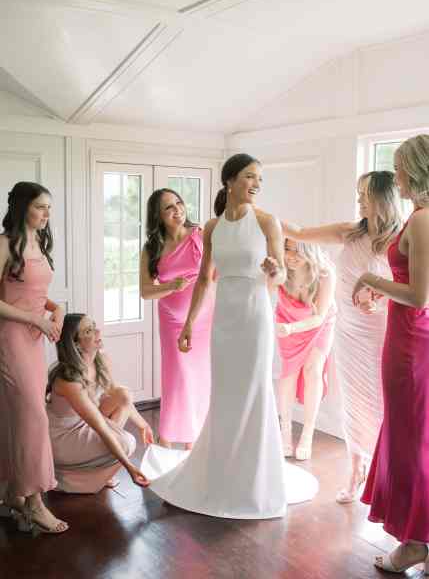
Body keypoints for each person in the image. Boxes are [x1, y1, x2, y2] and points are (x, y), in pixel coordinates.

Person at [140, 153, 318, 519]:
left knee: (253, 390)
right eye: (250, 177)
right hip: (223, 318)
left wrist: (274, 269)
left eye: (259, 180)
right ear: (230, 180)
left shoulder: (268, 222)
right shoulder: (212, 227)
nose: (255, 185)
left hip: (255, 315)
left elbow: (280, 276)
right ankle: (221, 470)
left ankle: (254, 478)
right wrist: (189, 323)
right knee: (224, 392)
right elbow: (205, 279)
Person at [282, 171, 402, 502]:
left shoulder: (402, 239)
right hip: (347, 331)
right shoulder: (350, 231)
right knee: (353, 403)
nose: (359, 200)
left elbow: (411, 289)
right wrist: (257, 215)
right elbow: (300, 232)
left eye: (364, 194)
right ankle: (355, 473)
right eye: (358, 193)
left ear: (382, 198)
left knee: (381, 404)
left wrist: (378, 297)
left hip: (381, 333)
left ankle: (386, 475)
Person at [355, 135, 429, 573]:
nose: (395, 175)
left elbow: (418, 295)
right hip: (412, 337)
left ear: (417, 170)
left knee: (409, 441)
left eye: (399, 167)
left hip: (410, 345)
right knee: (415, 437)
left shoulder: (421, 220)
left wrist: (371, 278)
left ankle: (416, 540)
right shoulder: (419, 218)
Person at [0, 182, 68, 534]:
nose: (46, 214)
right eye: (41, 207)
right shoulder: (3, 245)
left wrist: (56, 312)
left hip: (35, 339)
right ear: (23, 207)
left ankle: (13, 491)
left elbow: (38, 294)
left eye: (49, 208)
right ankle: (35, 501)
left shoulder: (40, 243)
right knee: (33, 416)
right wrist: (35, 320)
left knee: (18, 416)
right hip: (11, 338)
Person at [46, 313, 153, 493]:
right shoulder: (69, 381)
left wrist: (143, 425)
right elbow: (100, 427)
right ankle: (80, 475)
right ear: (77, 344)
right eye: (89, 331)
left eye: (94, 326)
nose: (98, 332)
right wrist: (129, 468)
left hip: (87, 423)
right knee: (127, 443)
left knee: (123, 394)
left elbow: (120, 397)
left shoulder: (101, 360)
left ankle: (104, 469)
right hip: (64, 437)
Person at [140, 189, 213, 450]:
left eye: (179, 203)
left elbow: (214, 274)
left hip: (204, 316)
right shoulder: (152, 248)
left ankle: (195, 441)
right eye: (169, 207)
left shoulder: (201, 235)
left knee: (200, 377)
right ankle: (167, 437)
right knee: (177, 377)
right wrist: (173, 286)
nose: (177, 210)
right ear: (157, 216)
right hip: (171, 318)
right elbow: (146, 291)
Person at [275, 236, 336, 460]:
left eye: (296, 251)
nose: (290, 256)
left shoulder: (325, 272)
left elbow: (319, 316)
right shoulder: (281, 268)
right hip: (287, 319)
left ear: (309, 251)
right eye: (286, 249)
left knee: (313, 370)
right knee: (288, 373)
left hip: (318, 323)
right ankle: (285, 433)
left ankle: (307, 434)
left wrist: (292, 329)